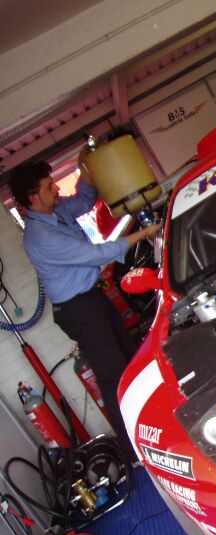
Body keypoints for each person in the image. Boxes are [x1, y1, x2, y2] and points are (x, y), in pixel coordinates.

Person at [9, 149, 161, 463]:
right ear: (32, 198)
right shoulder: (39, 237)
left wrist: (86, 165)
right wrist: (142, 234)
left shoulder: (57, 211)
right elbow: (95, 254)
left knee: (129, 361)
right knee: (113, 374)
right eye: (50, 187)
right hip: (79, 310)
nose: (57, 191)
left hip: (91, 300)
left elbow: (84, 199)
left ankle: (155, 428)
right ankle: (135, 451)